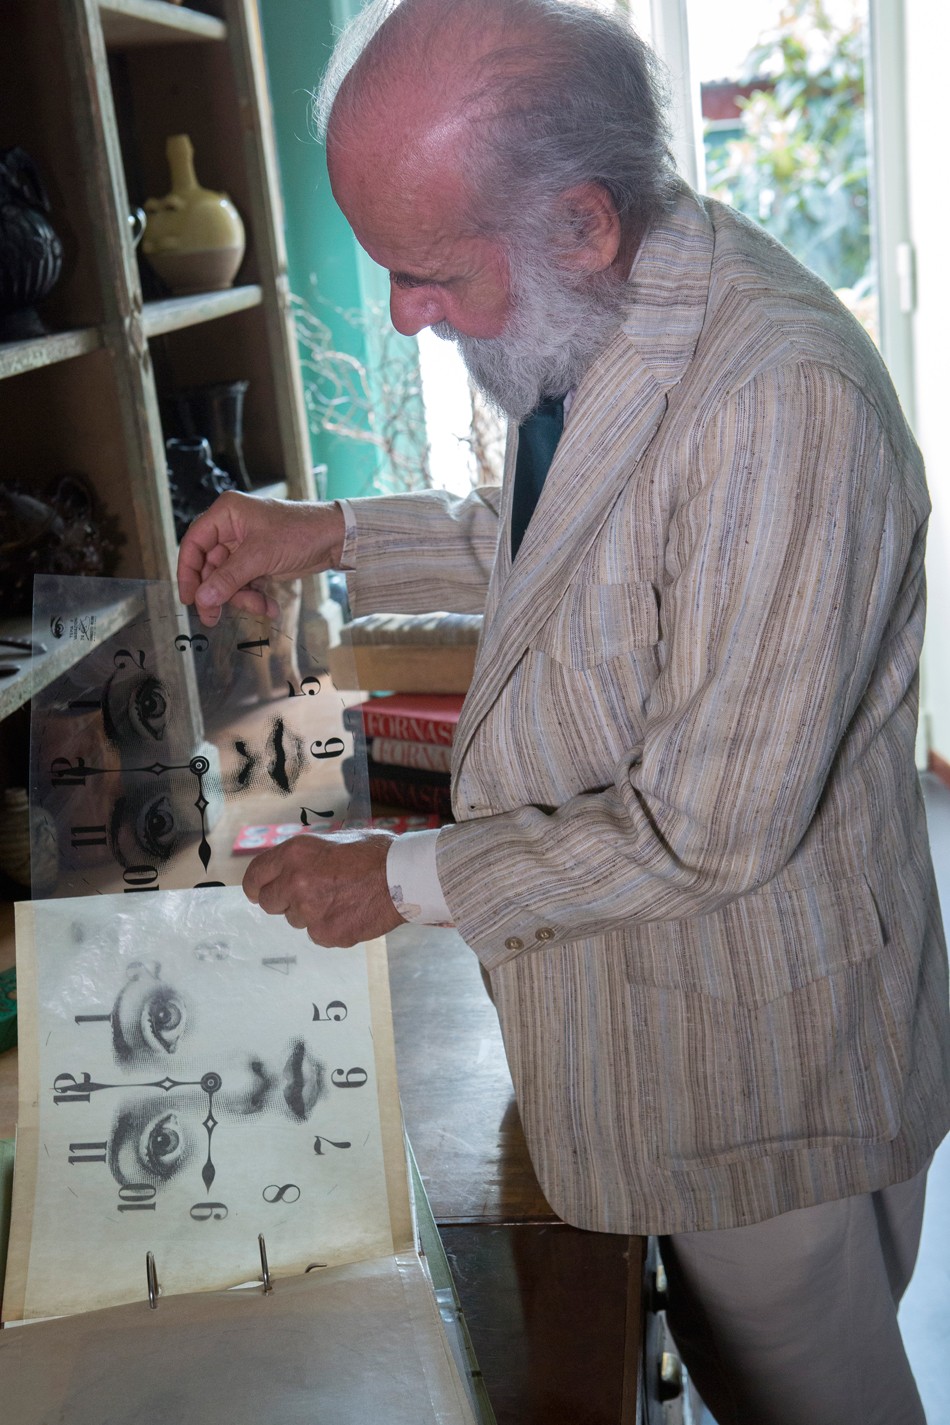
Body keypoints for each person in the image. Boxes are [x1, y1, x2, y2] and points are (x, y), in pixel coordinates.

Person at [177, 1, 950, 1420]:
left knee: (809, 1394)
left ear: (583, 221)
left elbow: (706, 832)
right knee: (724, 1369)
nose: (400, 313)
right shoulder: (632, 292)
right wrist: (326, 531)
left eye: (427, 275)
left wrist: (395, 877)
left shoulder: (778, 404)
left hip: (756, 1056)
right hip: (650, 1013)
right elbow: (554, 536)